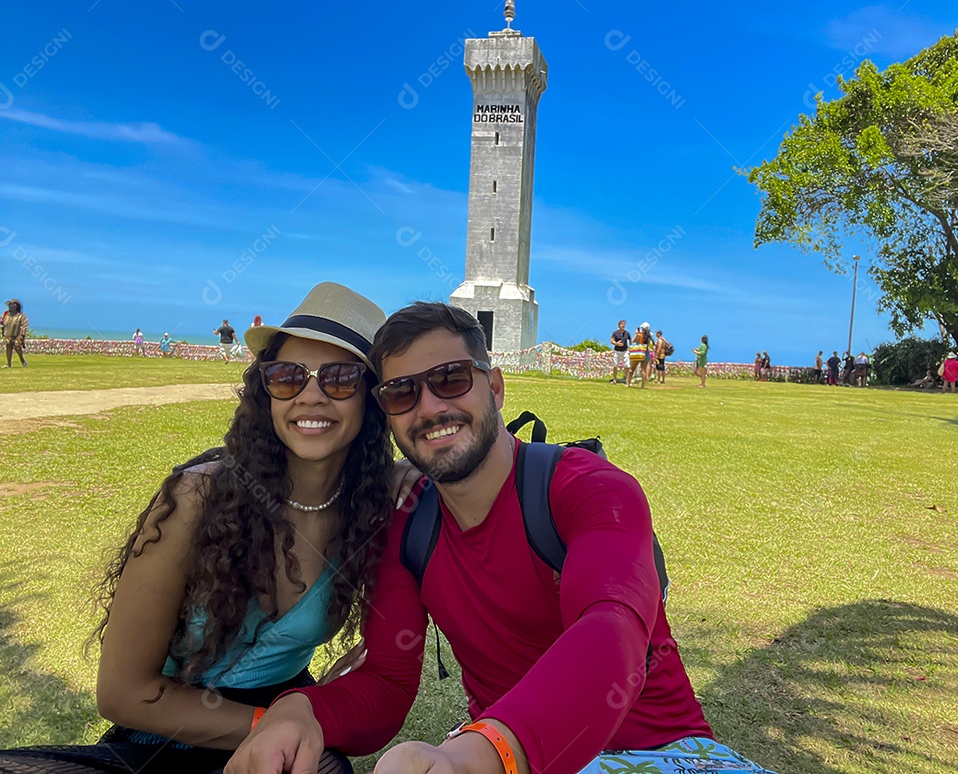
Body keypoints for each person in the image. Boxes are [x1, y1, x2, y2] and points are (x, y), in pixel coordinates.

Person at [225, 303, 772, 774]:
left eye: (452, 379)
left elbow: (612, 631)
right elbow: (388, 681)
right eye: (401, 393)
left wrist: (481, 752)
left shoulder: (590, 489)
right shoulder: (409, 527)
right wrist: (298, 710)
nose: (431, 407)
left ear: (496, 386)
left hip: (658, 752)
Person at [0, 283, 394, 774]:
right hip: (158, 741)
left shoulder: (374, 510)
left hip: (286, 737)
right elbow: (123, 693)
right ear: (265, 390)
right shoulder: (197, 498)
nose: (310, 395)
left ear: (372, 401)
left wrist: (322, 704)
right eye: (288, 376)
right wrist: (272, 726)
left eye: (339, 378)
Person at [3, 299, 29, 368]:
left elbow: (24, 325)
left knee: (17, 347)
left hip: (18, 334)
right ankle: (9, 364)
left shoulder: (21, 315)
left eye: (13, 304)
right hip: (8, 333)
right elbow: (3, 323)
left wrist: (22, 335)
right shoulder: (6, 314)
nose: (11, 306)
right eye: (10, 304)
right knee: (8, 348)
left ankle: (22, 360)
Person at [609, 319, 630, 384]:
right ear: (619, 325)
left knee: (627, 365)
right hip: (617, 351)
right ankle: (614, 379)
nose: (623, 325)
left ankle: (627, 380)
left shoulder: (627, 333)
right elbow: (611, 341)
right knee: (615, 365)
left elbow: (631, 341)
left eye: (624, 324)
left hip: (625, 351)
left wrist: (631, 348)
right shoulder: (615, 333)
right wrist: (617, 344)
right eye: (622, 324)